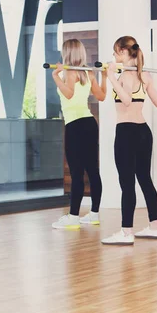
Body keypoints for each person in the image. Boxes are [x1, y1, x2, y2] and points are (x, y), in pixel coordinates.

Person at [101, 36, 157, 245]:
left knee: (127, 183)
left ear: (123, 52)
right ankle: (155, 226)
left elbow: (127, 99)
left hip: (127, 132)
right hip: (143, 132)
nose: (113, 56)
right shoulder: (145, 75)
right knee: (145, 179)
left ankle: (126, 231)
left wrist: (111, 77)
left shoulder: (126, 76)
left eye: (115, 52)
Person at [51, 39, 107, 229]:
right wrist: (105, 77)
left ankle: (73, 217)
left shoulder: (70, 72)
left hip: (75, 125)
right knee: (92, 170)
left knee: (77, 173)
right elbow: (101, 96)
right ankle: (94, 214)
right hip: (90, 124)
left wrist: (56, 76)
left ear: (67, 53)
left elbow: (68, 94)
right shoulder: (88, 72)